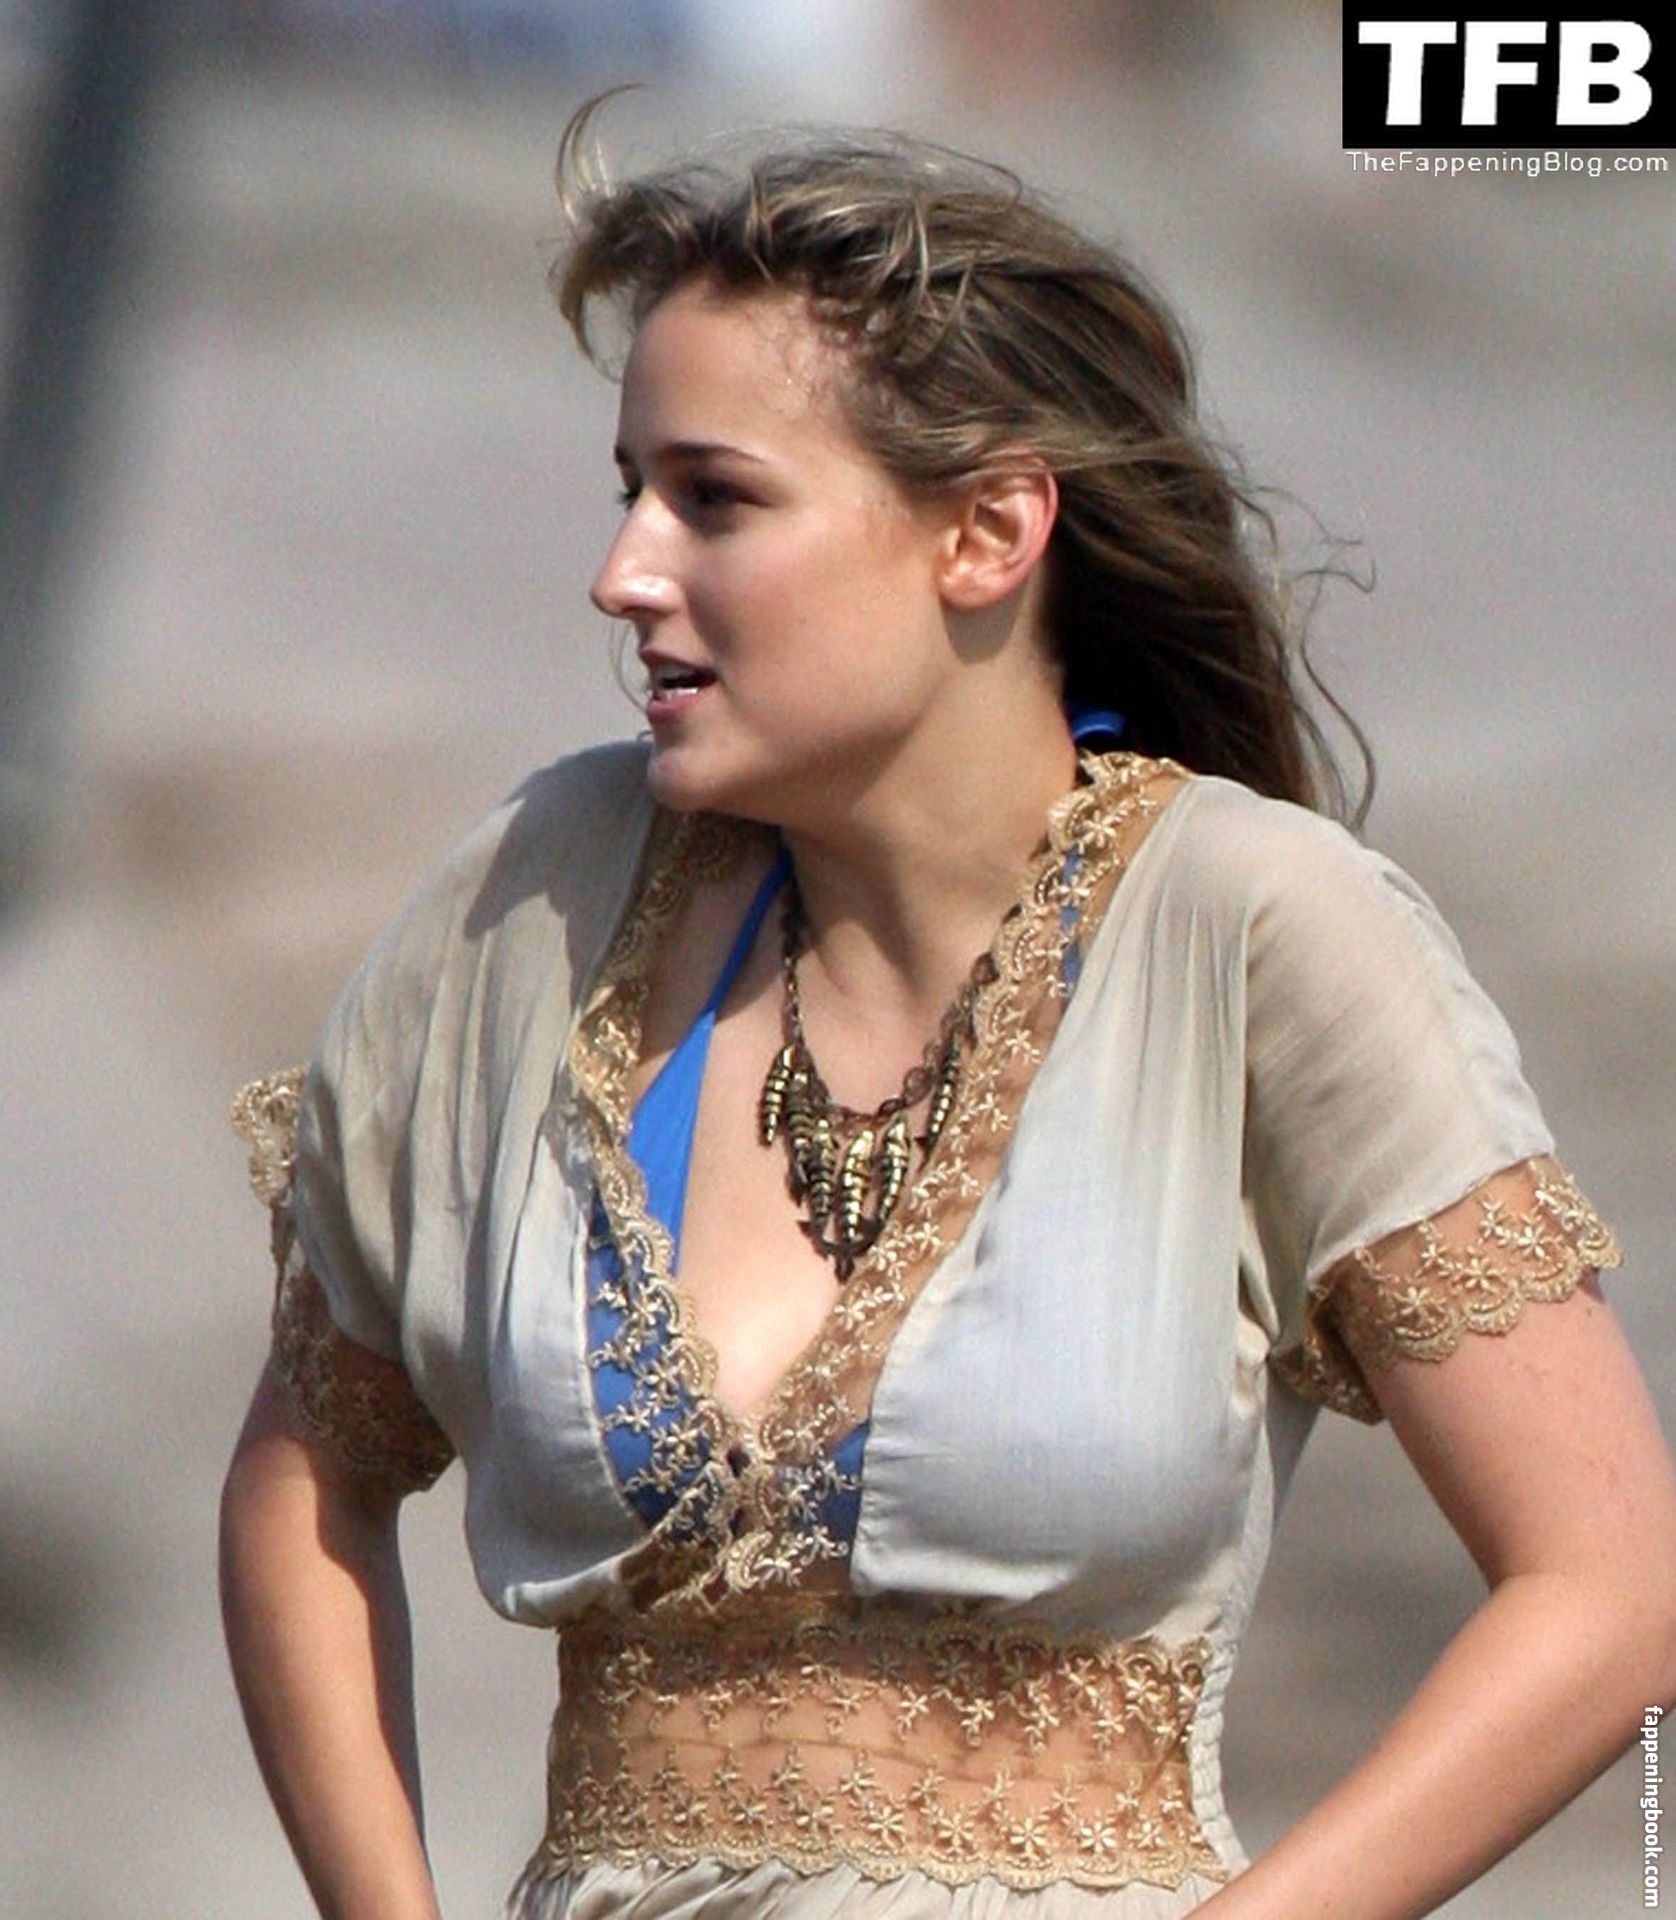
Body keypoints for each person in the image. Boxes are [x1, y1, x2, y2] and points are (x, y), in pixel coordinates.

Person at [219, 105, 1676, 1920]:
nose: (625, 573)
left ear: (987, 531)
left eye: (715, 497)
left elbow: (1612, 1586)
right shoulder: (534, 900)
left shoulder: (1258, 929)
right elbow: (307, 1484)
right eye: (630, 490)